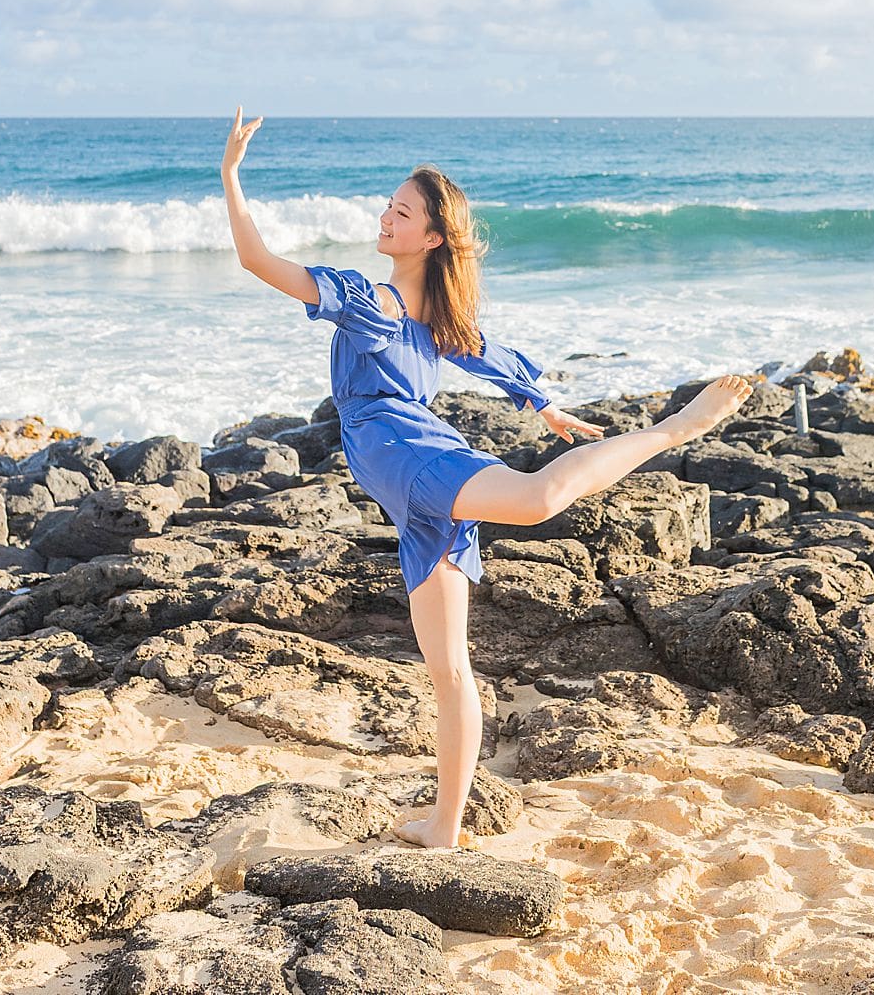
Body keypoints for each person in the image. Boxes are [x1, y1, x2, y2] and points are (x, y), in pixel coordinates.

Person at [221, 107, 752, 850]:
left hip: (408, 455)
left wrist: (231, 174)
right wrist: (543, 403)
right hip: (408, 489)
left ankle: (674, 429)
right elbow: (483, 353)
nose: (385, 216)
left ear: (431, 236)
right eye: (387, 205)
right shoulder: (409, 308)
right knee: (450, 669)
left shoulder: (373, 302)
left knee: (537, 499)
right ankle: (446, 823)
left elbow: (257, 260)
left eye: (399, 211)